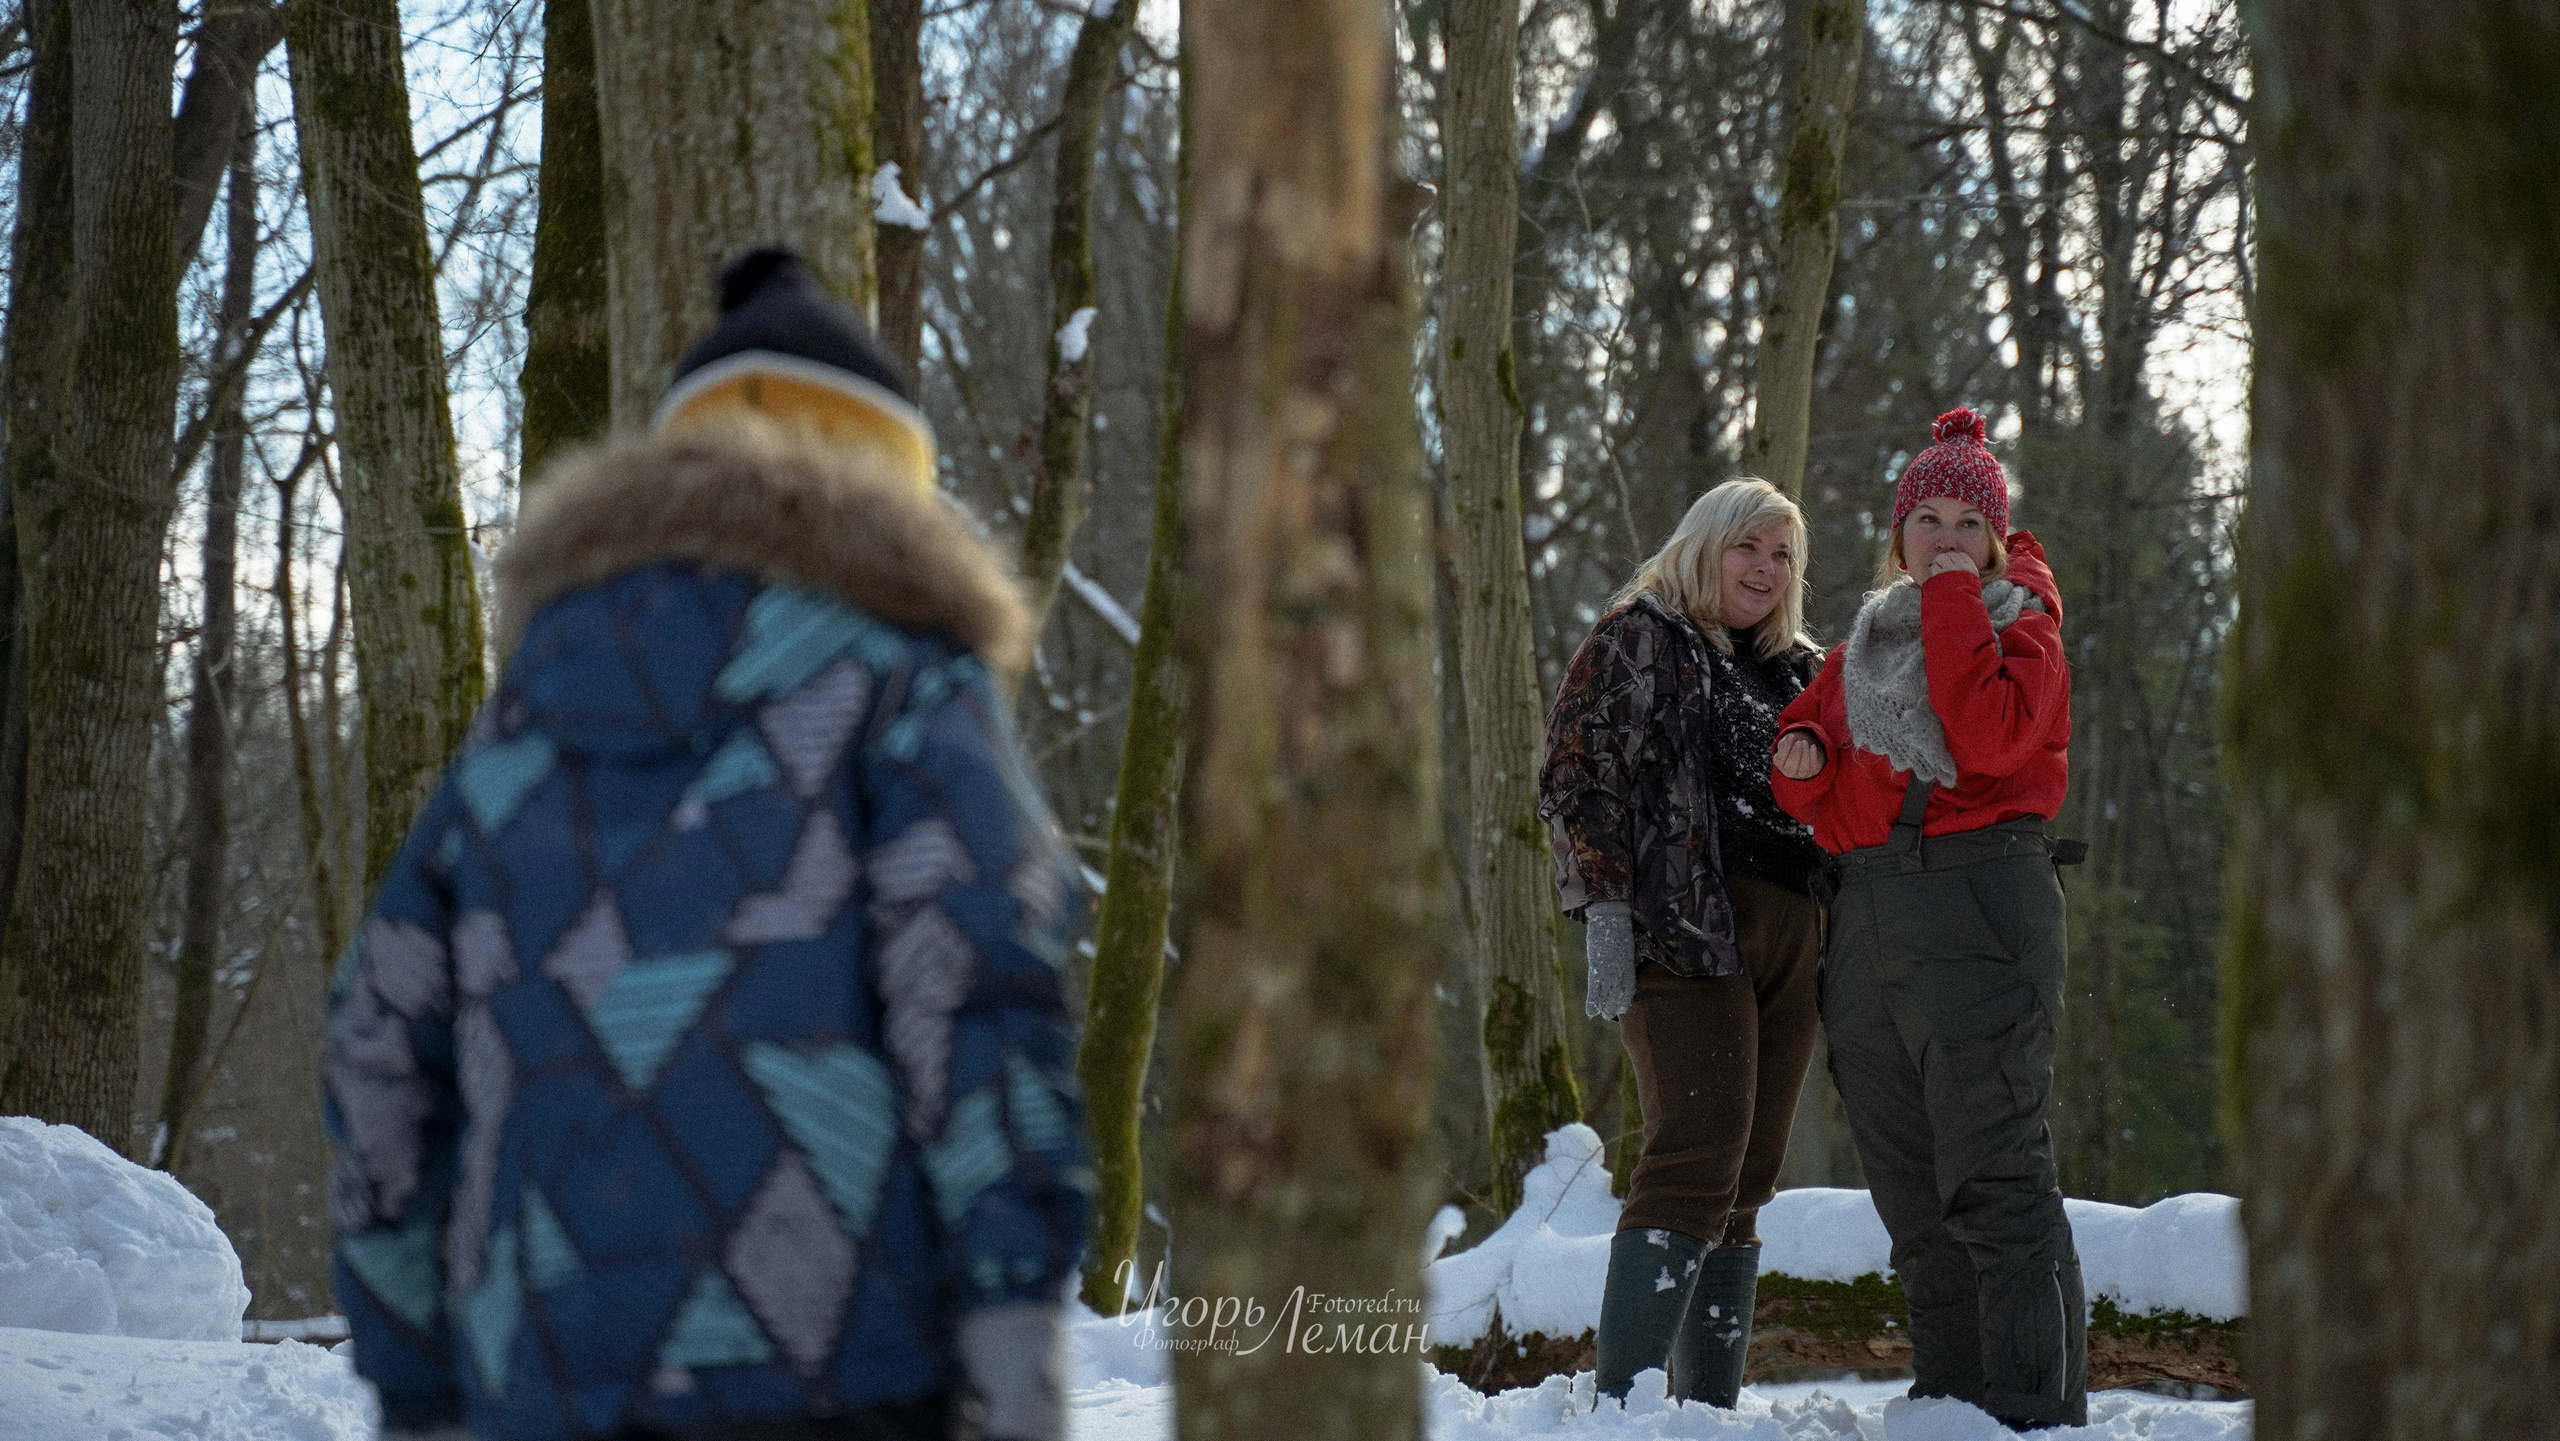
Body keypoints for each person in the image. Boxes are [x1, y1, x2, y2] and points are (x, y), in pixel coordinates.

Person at [324, 250, 1091, 1441]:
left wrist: (421, 1379)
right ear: (888, 486)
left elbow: (378, 1040)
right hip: (844, 1382)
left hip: (538, 1387)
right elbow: (980, 1001)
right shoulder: (907, 688)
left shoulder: (521, 725)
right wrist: (1012, 1350)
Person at [1769, 407, 2086, 1430]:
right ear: (1895, 533)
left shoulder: (2019, 623)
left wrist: (1953, 596)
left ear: (1995, 538)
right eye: (1926, 520)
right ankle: (1950, 1403)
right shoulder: (1868, 636)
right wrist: (1801, 768)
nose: (1946, 537)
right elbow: (1807, 752)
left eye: (1965, 522)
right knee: (1910, 1191)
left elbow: (1987, 736)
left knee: (1993, 1178)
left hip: (1975, 898)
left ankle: (2033, 1413)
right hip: (1868, 915)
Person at [1538, 478, 1829, 1407]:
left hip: (1796, 934)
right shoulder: (1642, 634)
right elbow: (1576, 773)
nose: (1765, 568)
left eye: (1782, 554)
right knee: (1695, 1154)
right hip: (1686, 929)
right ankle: (1620, 1404)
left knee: (1749, 1176)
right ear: (1703, 545)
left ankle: (1708, 1415)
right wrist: (1608, 917)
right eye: (1748, 546)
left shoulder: (1800, 670)